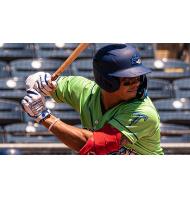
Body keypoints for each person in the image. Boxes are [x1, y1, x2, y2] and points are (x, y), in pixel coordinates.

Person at [21, 44, 164, 155]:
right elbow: (33, 81)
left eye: (138, 77)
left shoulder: (143, 112)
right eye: (128, 79)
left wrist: (44, 117)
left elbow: (94, 146)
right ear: (107, 80)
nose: (136, 83)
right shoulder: (83, 89)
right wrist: (40, 81)